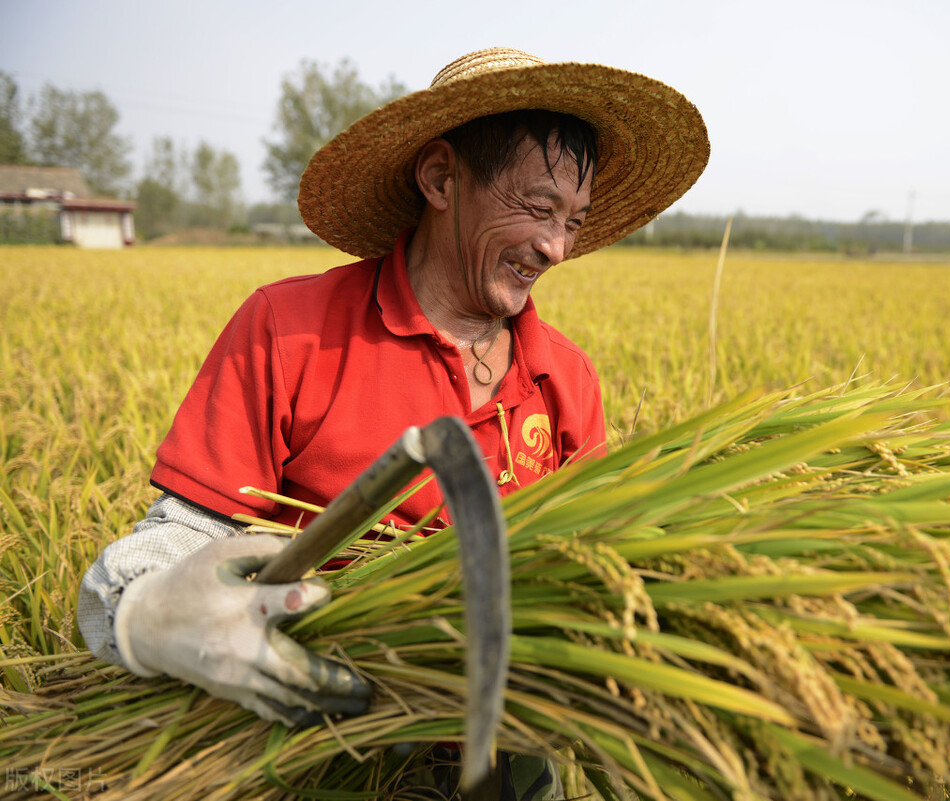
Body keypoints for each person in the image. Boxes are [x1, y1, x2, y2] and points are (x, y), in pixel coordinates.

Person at [77, 47, 707, 797]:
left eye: (574, 220)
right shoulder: (290, 331)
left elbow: (586, 586)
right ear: (441, 178)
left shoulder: (567, 378)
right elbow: (177, 541)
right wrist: (147, 611)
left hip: (504, 767)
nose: (557, 246)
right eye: (538, 208)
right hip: (313, 756)